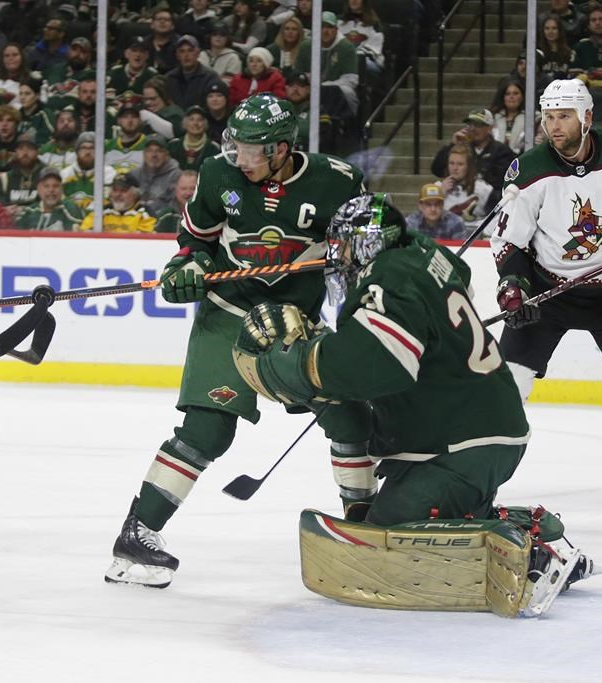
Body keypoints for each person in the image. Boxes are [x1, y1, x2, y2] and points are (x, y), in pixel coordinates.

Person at [230, 192, 598, 615]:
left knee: (392, 533)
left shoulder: (390, 278)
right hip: (473, 435)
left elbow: (375, 366)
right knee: (398, 519)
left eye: (344, 246)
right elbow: (455, 274)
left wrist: (300, 364)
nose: (337, 257)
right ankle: (537, 528)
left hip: (459, 444)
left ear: (367, 243)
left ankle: (535, 558)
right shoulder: (418, 255)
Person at [104, 94, 370, 588]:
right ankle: (137, 534)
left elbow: (367, 247)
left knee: (349, 416)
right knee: (206, 430)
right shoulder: (218, 174)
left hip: (301, 319)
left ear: (283, 148)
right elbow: (196, 242)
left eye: (254, 151)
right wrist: (187, 268)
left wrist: (353, 261)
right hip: (231, 311)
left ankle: (366, 522)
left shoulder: (337, 180)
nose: (241, 159)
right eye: (238, 147)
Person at [491, 78, 602, 406]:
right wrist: (513, 285)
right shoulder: (528, 171)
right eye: (549, 117)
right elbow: (508, 240)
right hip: (547, 297)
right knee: (504, 392)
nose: (554, 126)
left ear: (586, 117)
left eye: (565, 116)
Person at [430, 108, 515, 207]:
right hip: (459, 198)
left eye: (478, 125)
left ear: (490, 128)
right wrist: (452, 145)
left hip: (488, 202)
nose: (473, 129)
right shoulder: (463, 149)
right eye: (470, 124)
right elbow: (437, 170)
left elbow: (501, 183)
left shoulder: (502, 151)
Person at [79, 173, 156, 233]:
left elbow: (144, 243)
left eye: (123, 191)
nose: (117, 195)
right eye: (115, 190)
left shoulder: (145, 214)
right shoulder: (101, 212)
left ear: (135, 194)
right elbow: (85, 233)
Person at [14, 166, 84, 231]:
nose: (51, 190)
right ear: (38, 189)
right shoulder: (28, 212)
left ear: (62, 189)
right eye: (46, 186)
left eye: (56, 186)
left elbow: (75, 240)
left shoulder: (71, 209)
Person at [135, 134, 181, 216]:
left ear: (167, 154)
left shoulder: (176, 176)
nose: (154, 155)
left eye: (159, 151)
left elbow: (175, 207)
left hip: (162, 222)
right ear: (144, 154)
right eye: (149, 151)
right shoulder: (136, 174)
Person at [167, 105, 221, 171]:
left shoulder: (213, 148)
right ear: (185, 123)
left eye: (200, 120)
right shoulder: (173, 145)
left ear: (205, 124)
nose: (195, 123)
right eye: (191, 119)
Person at [154, 169, 198, 233]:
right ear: (175, 190)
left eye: (193, 188)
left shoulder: (208, 216)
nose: (188, 193)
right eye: (183, 188)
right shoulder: (164, 217)